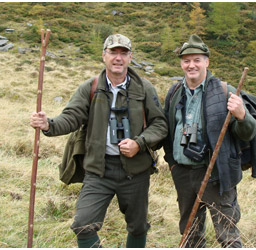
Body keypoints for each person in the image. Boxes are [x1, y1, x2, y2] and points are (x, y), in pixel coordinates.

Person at [30, 34, 168, 248]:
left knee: (138, 226)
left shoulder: (144, 88)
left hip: (135, 171)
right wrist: (49, 125)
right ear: (104, 55)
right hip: (99, 170)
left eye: (123, 53)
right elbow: (72, 117)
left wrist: (139, 143)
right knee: (83, 225)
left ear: (130, 58)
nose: (118, 58)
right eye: (113, 52)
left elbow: (160, 124)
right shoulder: (90, 88)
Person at [163, 34, 256, 248]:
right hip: (183, 175)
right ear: (181, 63)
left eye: (197, 59)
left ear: (207, 61)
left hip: (217, 175)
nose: (191, 65)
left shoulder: (225, 91)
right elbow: (168, 130)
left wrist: (241, 115)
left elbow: (248, 132)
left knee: (227, 235)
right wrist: (172, 164)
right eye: (186, 60)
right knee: (191, 235)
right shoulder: (175, 92)